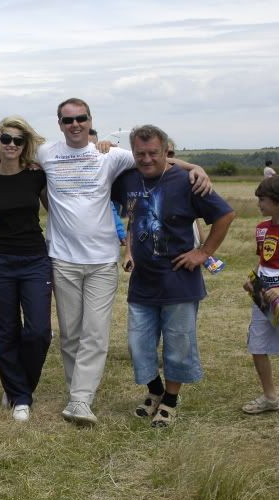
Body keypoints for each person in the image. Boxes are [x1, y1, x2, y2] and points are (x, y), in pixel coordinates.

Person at [39, 97, 211, 426]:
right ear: (59, 123)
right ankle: (77, 390)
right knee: (70, 334)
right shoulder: (47, 153)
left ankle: (81, 399)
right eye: (67, 119)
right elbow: (4, 157)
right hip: (62, 258)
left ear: (90, 121)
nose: (74, 124)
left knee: (95, 333)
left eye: (81, 118)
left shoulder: (111, 156)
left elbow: (156, 161)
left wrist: (196, 167)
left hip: (102, 259)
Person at [113, 124, 234, 427]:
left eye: (153, 152)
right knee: (138, 344)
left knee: (178, 344)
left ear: (166, 151)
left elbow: (224, 215)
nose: (147, 159)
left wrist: (203, 252)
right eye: (140, 153)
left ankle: (170, 400)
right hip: (143, 283)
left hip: (180, 280)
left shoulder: (187, 181)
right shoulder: (127, 179)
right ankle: (154, 390)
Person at [0, 117, 51, 422]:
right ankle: (19, 394)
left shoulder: (37, 176)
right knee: (5, 330)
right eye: (6, 139)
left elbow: (58, 209)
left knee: (38, 331)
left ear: (25, 145)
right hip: (0, 260)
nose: (11, 145)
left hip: (34, 259)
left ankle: (21, 386)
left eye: (18, 140)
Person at [242, 175, 279, 414]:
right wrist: (252, 279)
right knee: (257, 345)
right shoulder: (262, 229)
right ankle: (270, 397)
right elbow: (263, 259)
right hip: (262, 295)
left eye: (263, 199)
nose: (259, 204)